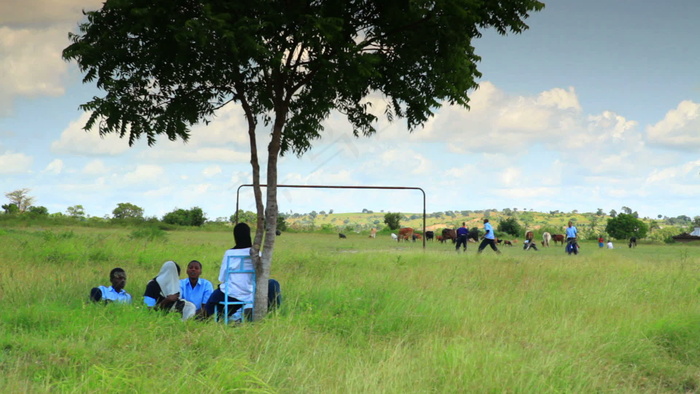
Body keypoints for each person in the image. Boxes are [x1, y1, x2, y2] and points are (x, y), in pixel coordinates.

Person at [206, 222, 282, 321]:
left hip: (231, 293)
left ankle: (228, 317)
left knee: (212, 301)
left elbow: (222, 277)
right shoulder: (257, 253)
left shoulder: (229, 253)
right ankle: (245, 313)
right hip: (251, 292)